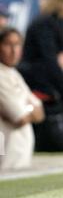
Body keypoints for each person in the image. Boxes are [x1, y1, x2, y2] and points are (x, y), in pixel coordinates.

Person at [19, 0, 63, 151]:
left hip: (48, 78)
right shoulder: (45, 23)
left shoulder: (57, 22)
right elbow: (52, 64)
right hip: (37, 82)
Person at [0, 27, 44, 170]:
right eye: (7, 44)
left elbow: (41, 112)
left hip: (19, 159)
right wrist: (30, 109)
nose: (13, 50)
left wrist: (27, 109)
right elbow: (20, 118)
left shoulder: (13, 73)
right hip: (6, 161)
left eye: (17, 44)